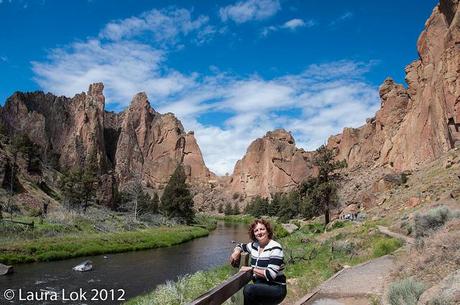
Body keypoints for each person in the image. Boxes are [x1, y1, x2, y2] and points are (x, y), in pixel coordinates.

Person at [230, 219, 287, 305]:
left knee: (249, 290)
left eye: (262, 229)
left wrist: (251, 269)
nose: (259, 232)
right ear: (254, 234)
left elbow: (270, 274)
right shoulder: (254, 245)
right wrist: (236, 252)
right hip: (260, 286)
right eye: (256, 230)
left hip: (276, 288)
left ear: (268, 231)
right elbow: (240, 246)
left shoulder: (275, 247)